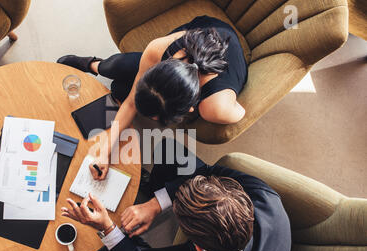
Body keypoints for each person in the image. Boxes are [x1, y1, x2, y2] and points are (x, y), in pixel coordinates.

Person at [61, 141, 291, 251]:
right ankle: (152, 190)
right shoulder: (265, 197)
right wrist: (155, 204)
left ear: (197, 247)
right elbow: (208, 171)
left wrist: (108, 228)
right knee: (170, 149)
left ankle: (132, 242)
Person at [57, 16, 248, 180]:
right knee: (117, 69)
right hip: (207, 29)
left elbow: (241, 112)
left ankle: (100, 67)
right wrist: (105, 151)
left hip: (227, 55)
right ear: (158, 69)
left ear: (190, 108)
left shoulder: (216, 108)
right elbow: (132, 101)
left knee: (119, 88)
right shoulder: (157, 49)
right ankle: (94, 64)